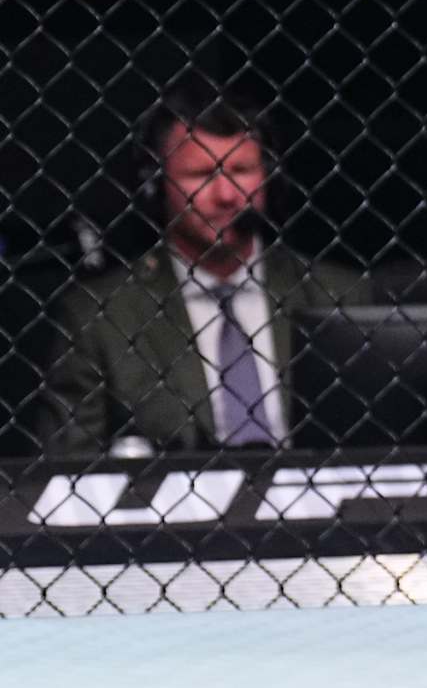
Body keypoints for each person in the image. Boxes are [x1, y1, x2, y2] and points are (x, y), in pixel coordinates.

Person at [36, 85, 366, 455]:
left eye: (241, 170)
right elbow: (66, 471)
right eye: (202, 174)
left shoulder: (338, 293)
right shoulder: (99, 316)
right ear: (155, 185)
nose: (226, 195)